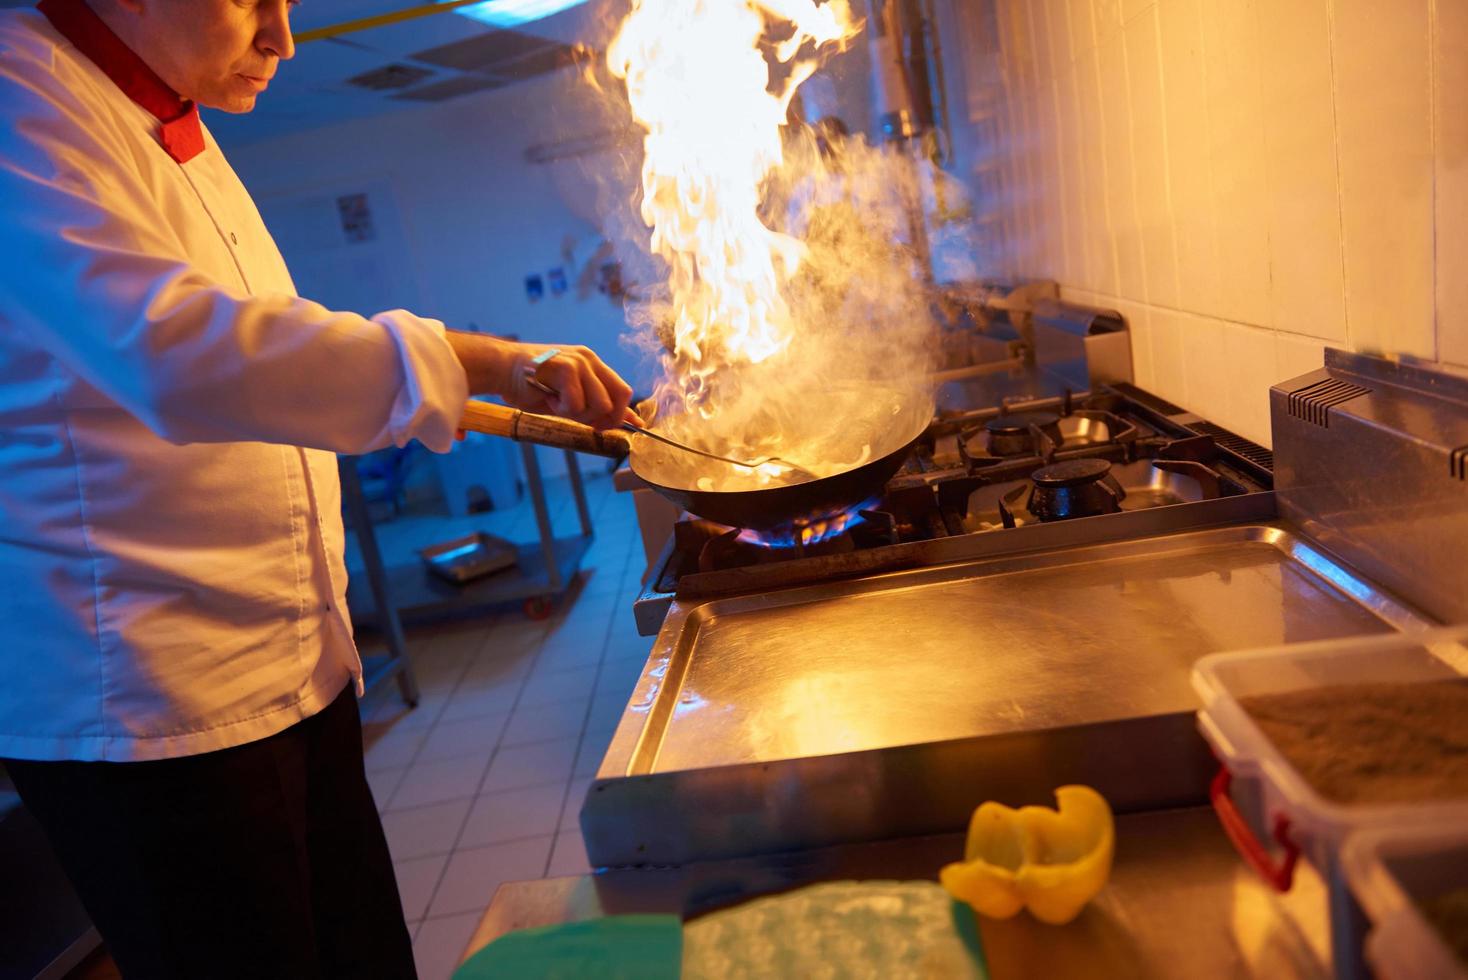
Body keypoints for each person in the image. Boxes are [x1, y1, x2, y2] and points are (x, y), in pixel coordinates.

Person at [0, 0, 635, 976]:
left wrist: (474, 369)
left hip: (291, 661)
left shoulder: (176, 122)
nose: (283, 36)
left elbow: (272, 326)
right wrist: (487, 361)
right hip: (150, 699)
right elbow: (182, 354)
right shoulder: (18, 99)